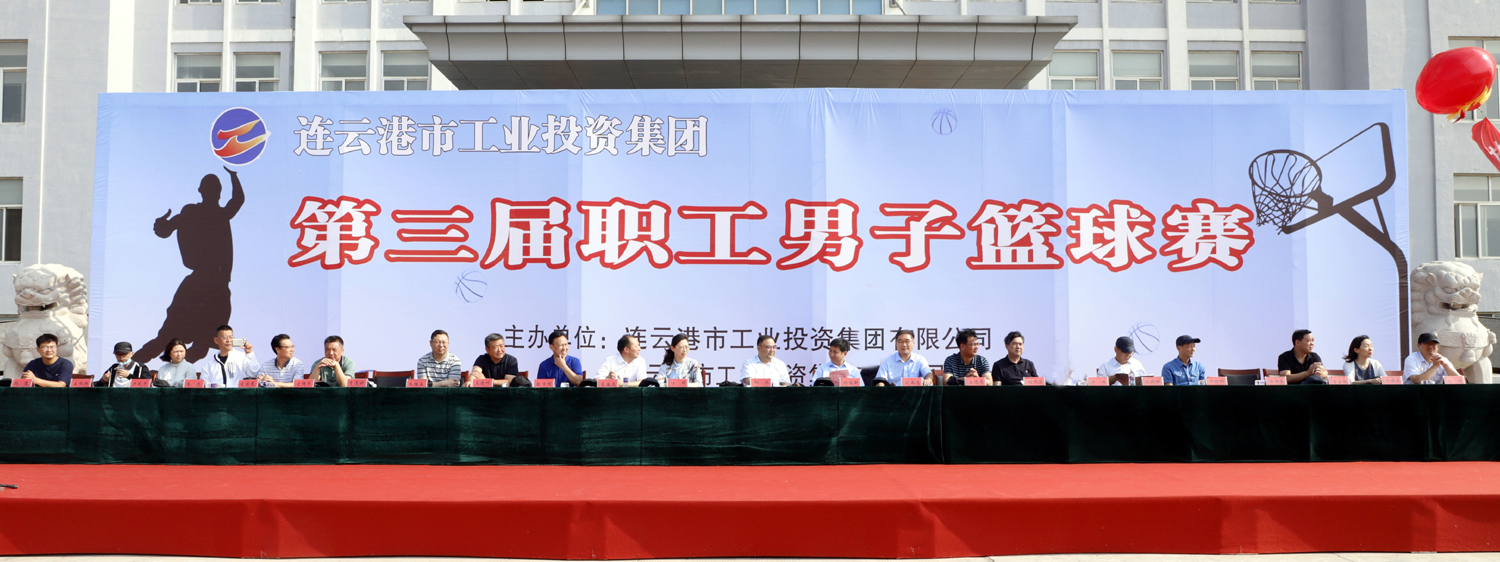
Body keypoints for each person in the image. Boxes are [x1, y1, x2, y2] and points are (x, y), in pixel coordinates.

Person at [136, 167, 246, 366]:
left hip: (216, 284)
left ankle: (173, 371)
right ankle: (133, 365)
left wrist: (234, 176)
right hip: (203, 282)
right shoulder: (196, 212)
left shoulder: (215, 213)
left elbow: (237, 201)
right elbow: (163, 230)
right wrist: (161, 223)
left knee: (202, 341)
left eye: (215, 189)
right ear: (203, 191)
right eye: (211, 189)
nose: (213, 193)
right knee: (170, 336)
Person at [193, 324, 260, 388]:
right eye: (224, 338)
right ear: (216, 340)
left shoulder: (243, 357)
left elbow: (254, 373)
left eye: (231, 337)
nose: (228, 340)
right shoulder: (209, 365)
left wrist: (249, 353)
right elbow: (205, 384)